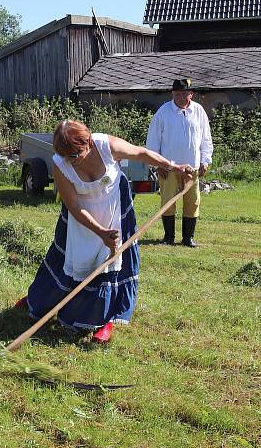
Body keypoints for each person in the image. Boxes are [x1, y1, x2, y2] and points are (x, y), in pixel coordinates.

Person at [16, 120, 194, 343]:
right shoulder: (61, 164)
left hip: (115, 211)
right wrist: (100, 232)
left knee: (112, 263)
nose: (70, 161)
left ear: (89, 142)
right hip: (81, 219)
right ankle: (39, 300)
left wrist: (173, 166)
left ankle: (105, 319)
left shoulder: (106, 146)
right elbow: (74, 206)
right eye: (65, 156)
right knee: (65, 260)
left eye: (75, 155)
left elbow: (141, 153)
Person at [146, 78, 214, 248]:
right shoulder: (163, 112)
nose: (182, 97)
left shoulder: (199, 111)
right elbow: (153, 140)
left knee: (193, 202)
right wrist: (157, 164)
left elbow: (206, 139)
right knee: (168, 201)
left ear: (191, 94)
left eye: (185, 94)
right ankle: (168, 237)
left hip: (192, 168)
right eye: (178, 94)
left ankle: (188, 238)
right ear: (173, 94)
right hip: (168, 167)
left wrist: (205, 160)